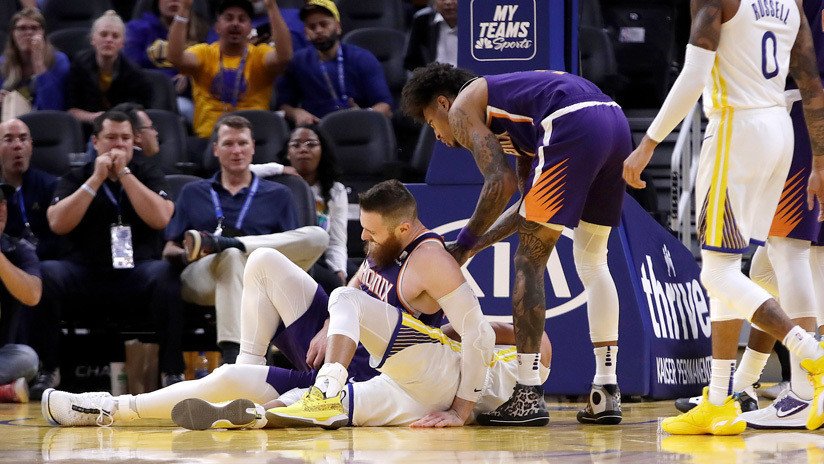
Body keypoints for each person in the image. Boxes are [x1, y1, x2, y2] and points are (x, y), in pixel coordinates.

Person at [39, 180, 548, 430]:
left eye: (371, 234)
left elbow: (490, 331)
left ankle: (264, 408)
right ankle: (108, 407)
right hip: (344, 351)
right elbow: (354, 291)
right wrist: (332, 326)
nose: (364, 241)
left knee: (342, 309)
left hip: (386, 373)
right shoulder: (381, 251)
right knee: (261, 262)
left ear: (401, 229)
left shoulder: (433, 260)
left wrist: (464, 403)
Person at [623, 0, 824, 434]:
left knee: (716, 274)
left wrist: (648, 143)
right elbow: (810, 83)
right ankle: (719, 399)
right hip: (780, 132)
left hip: (736, 128)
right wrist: (820, 163)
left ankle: (811, 354)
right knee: (736, 267)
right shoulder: (790, 3)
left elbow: (695, 74)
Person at [401, 63, 631, 426]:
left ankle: (527, 392)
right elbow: (526, 209)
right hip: (614, 121)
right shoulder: (518, 122)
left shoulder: (463, 108)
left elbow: (499, 183)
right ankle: (606, 390)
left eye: (432, 123)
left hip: (571, 121)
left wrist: (461, 246)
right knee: (591, 259)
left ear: (443, 104)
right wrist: (475, 247)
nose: (440, 137)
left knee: (528, 261)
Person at [29, 110, 185, 399]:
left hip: (137, 271)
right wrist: (96, 180)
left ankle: (171, 371)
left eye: (125, 138)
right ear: (96, 142)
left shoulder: (147, 172)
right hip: (85, 271)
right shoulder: (77, 175)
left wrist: (124, 174)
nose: (118, 145)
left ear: (134, 141)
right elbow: (57, 222)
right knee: (47, 273)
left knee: (167, 275)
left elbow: (162, 218)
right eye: (111, 137)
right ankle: (48, 369)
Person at [163, 115, 328, 363]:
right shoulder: (193, 192)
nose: (236, 150)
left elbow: (292, 248)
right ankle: (234, 357)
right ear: (216, 149)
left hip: (262, 277)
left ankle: (230, 244)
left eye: (242, 143)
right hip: (204, 277)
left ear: (253, 148)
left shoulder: (279, 194)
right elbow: (169, 249)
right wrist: (188, 253)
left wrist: (239, 248)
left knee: (318, 235)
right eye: (228, 144)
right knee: (230, 258)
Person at [167, 0, 292, 142]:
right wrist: (183, 9)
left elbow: (284, 56)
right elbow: (175, 57)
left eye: (242, 19)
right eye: (229, 18)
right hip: (208, 139)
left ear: (250, 27)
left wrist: (271, 6)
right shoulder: (204, 53)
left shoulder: (260, 54)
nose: (235, 23)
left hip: (253, 140)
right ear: (217, 27)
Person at [250, 124, 348, 293]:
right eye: (296, 145)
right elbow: (241, 170)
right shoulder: (274, 183)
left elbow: (337, 241)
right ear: (287, 153)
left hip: (317, 257)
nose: (303, 149)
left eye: (311, 144)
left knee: (348, 279)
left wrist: (339, 269)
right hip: (280, 254)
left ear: (322, 150)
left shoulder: (335, 190)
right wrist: (278, 168)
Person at [277, 0, 393, 126]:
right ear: (305, 33)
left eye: (324, 24)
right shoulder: (298, 62)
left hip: (360, 128)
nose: (318, 30)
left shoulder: (362, 58)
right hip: (317, 131)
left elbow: (385, 105)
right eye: (312, 27)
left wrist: (364, 115)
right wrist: (296, 113)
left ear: (338, 27)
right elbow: (283, 105)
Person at [124, 0, 209, 120]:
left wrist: (190, 73)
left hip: (190, 99)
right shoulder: (138, 29)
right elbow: (130, 68)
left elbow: (216, 60)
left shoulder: (204, 31)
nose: (174, 1)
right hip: (147, 98)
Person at [66, 11, 152, 126]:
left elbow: (137, 112)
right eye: (103, 34)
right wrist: (93, 117)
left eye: (115, 36)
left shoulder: (134, 73)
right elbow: (71, 110)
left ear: (123, 43)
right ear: (93, 39)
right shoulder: (79, 65)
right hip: (86, 129)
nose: (109, 40)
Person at [0, 181, 42, 403]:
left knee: (27, 358)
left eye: (2, 202)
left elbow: (32, 295)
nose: (0, 208)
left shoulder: (18, 249)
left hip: (2, 355)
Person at [0, 118, 60, 260]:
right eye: (8, 140)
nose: (17, 145)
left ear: (31, 146)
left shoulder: (51, 185)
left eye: (23, 139)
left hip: (44, 260)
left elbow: (59, 239)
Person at [0, 7, 69, 111]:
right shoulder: (3, 63)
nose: (28, 33)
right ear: (13, 34)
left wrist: (38, 62)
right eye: (22, 28)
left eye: (34, 28)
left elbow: (52, 107)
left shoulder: (59, 61)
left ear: (43, 33)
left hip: (45, 122)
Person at [404, 0, 458, 72]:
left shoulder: (475, 20)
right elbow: (410, 62)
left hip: (469, 79)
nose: (448, 2)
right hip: (433, 78)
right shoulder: (422, 20)